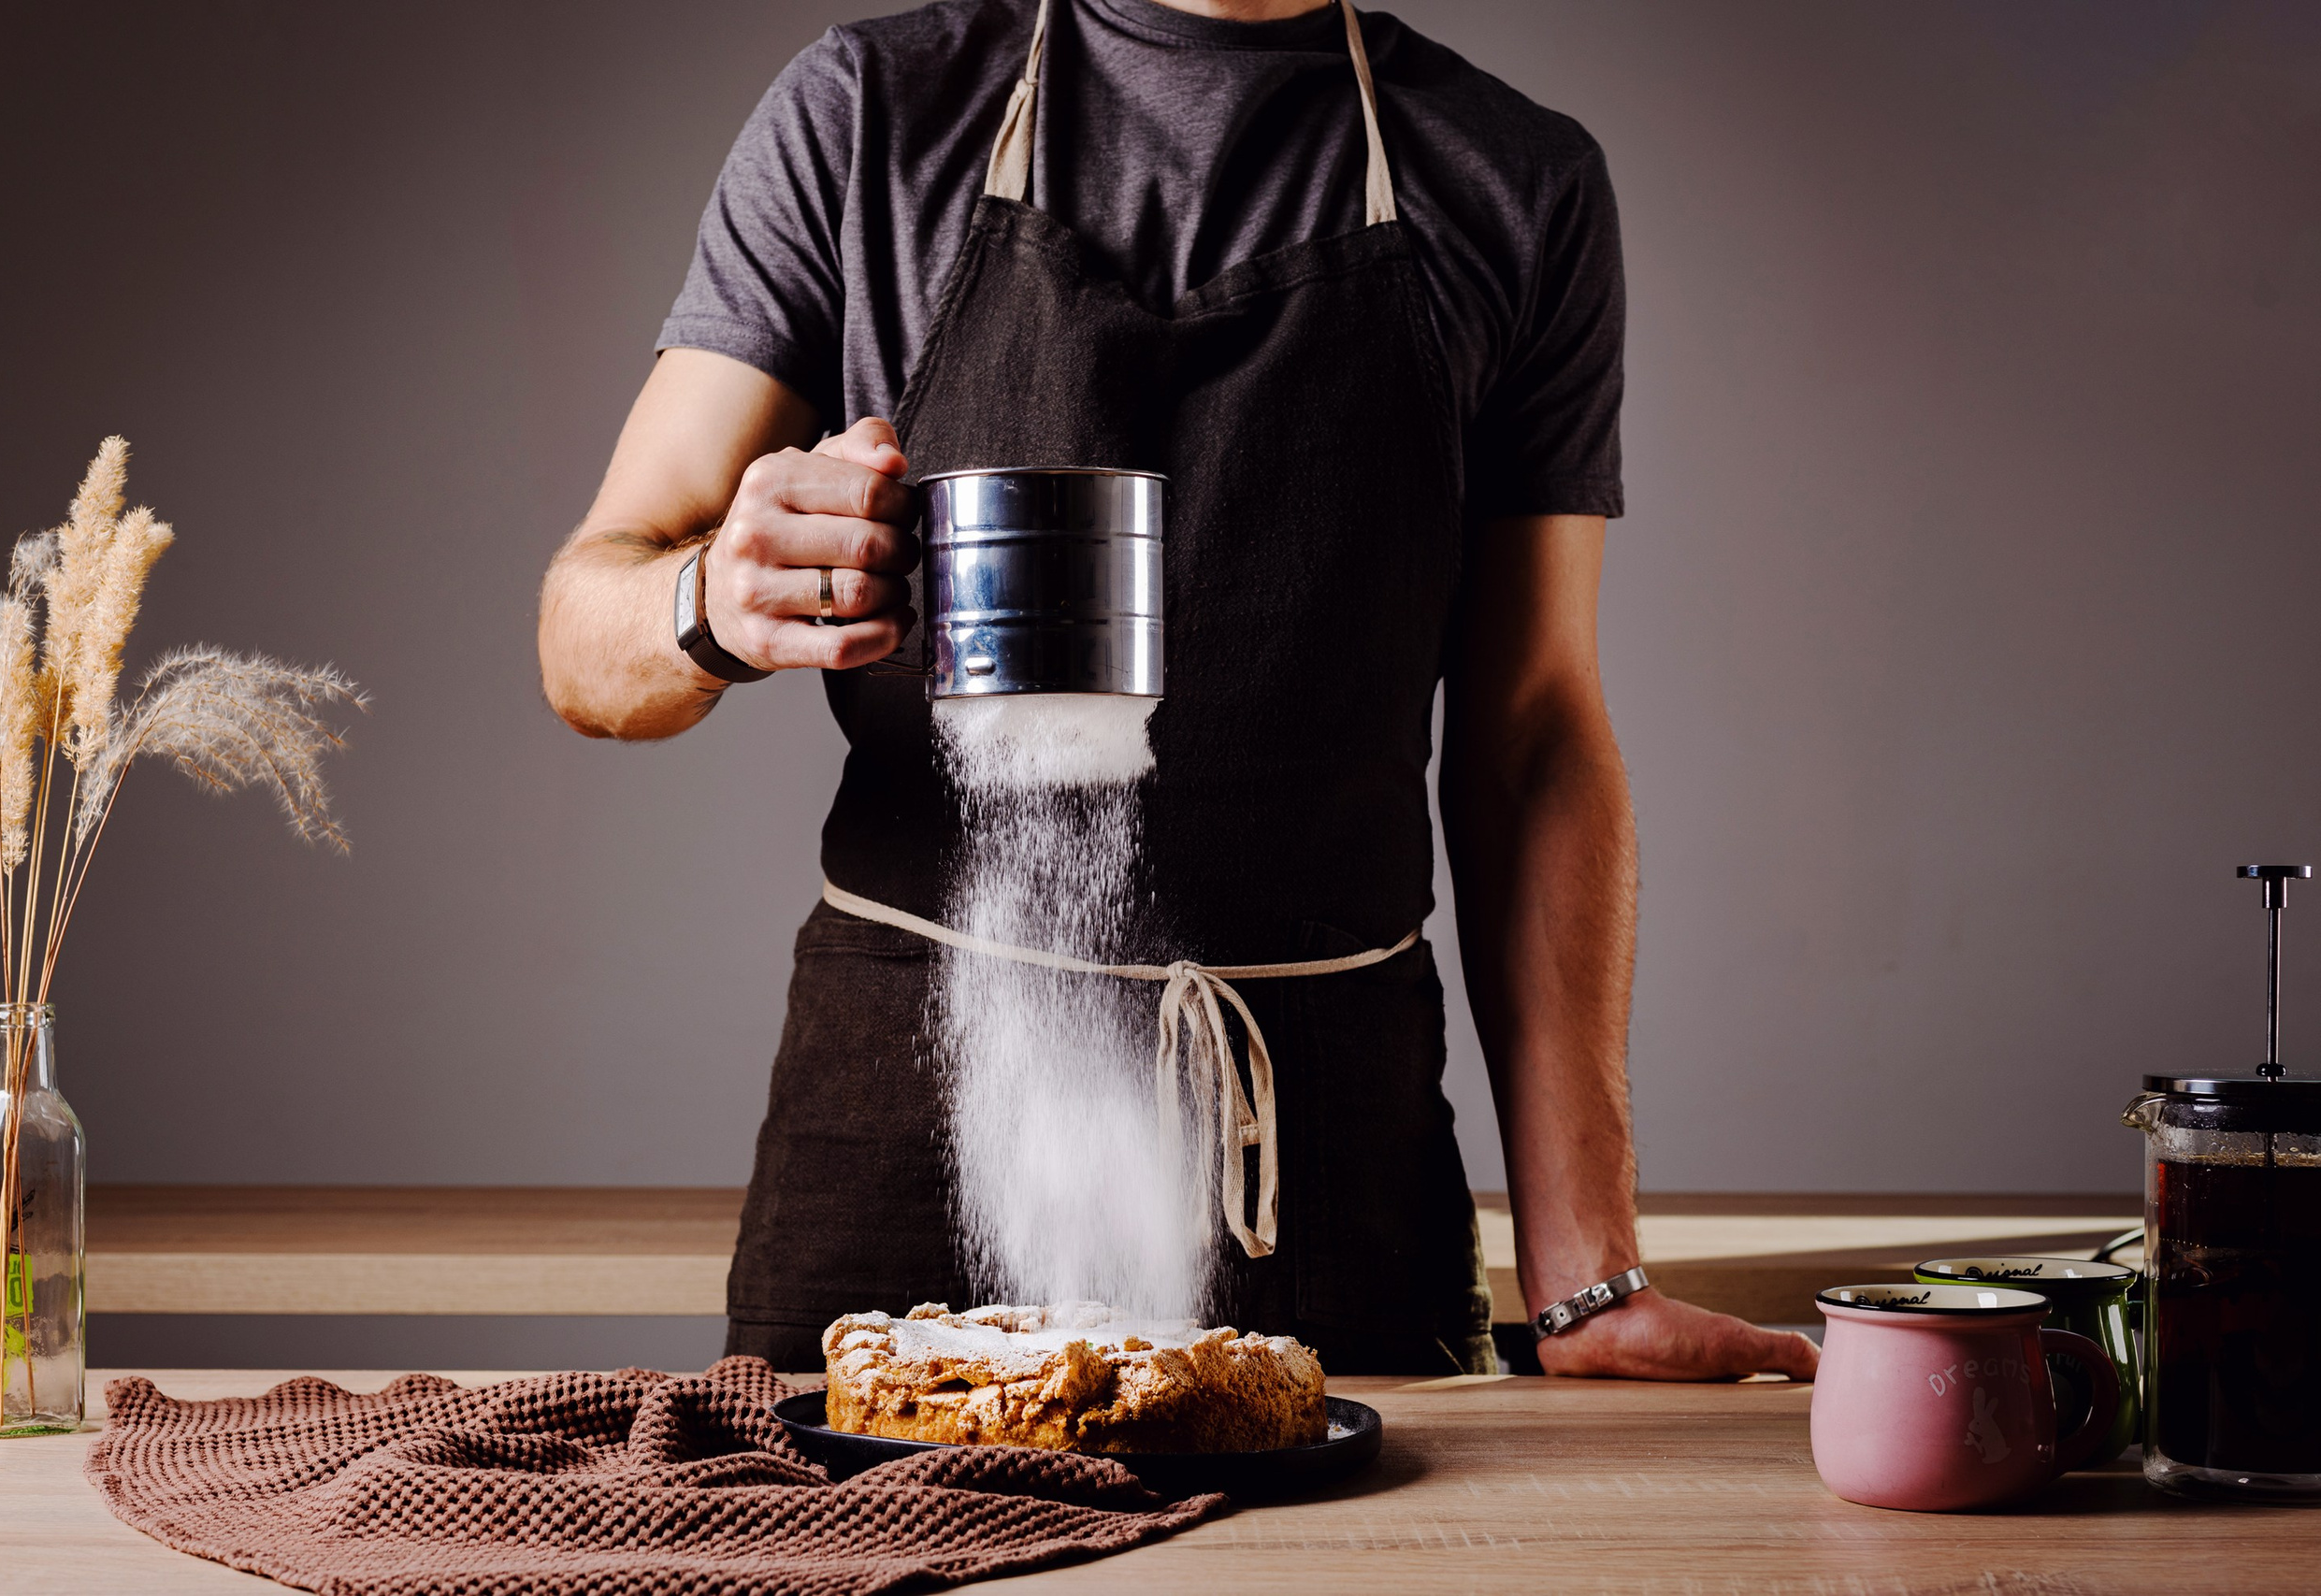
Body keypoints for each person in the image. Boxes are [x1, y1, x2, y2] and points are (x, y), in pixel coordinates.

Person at [538, 0, 1819, 1381]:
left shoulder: (1514, 177)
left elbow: (1532, 738)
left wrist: (1587, 1280)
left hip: (1323, 1145)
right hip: (907, 1120)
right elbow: (583, 636)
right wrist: (707, 602)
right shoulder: (868, 114)